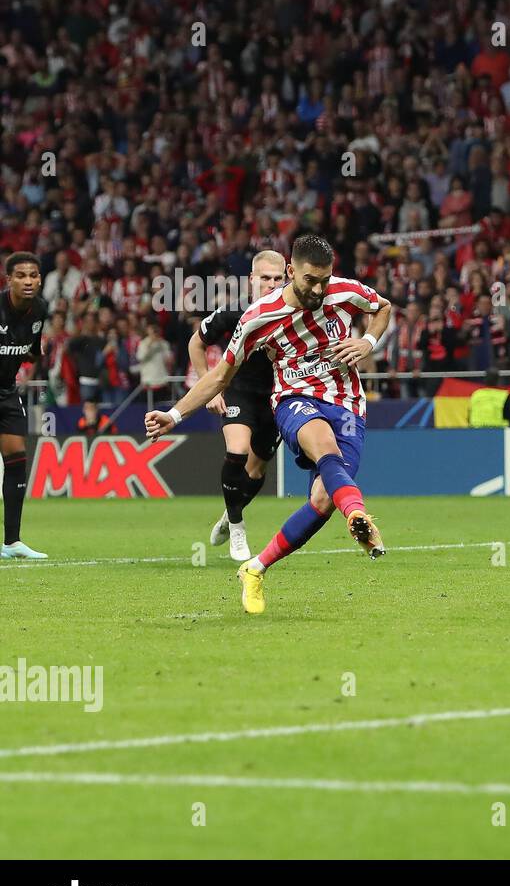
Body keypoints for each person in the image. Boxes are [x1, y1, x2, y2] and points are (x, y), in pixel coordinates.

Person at [145, 234, 392, 615]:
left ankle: (256, 568)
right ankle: (358, 514)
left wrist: (369, 342)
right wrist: (175, 414)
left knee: (323, 499)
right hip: (294, 400)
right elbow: (218, 377)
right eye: (310, 280)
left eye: (324, 279)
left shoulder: (344, 291)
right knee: (324, 448)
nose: (319, 288)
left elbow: (383, 306)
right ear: (292, 272)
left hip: (348, 404)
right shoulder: (257, 318)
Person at [188, 250, 286, 561]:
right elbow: (196, 343)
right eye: (265, 278)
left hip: (276, 399)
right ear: (251, 281)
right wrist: (208, 388)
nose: (271, 284)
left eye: (277, 278)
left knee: (257, 471)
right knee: (237, 452)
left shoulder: (294, 314)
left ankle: (230, 513)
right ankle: (238, 526)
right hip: (239, 392)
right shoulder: (233, 313)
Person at [0, 252, 48, 559]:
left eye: (32, 275)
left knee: (17, 458)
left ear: (40, 279)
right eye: (21, 275)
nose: (28, 281)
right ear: (8, 280)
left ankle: (12, 542)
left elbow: (32, 351)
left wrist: (35, 356)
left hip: (6, 392)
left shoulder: (40, 309)